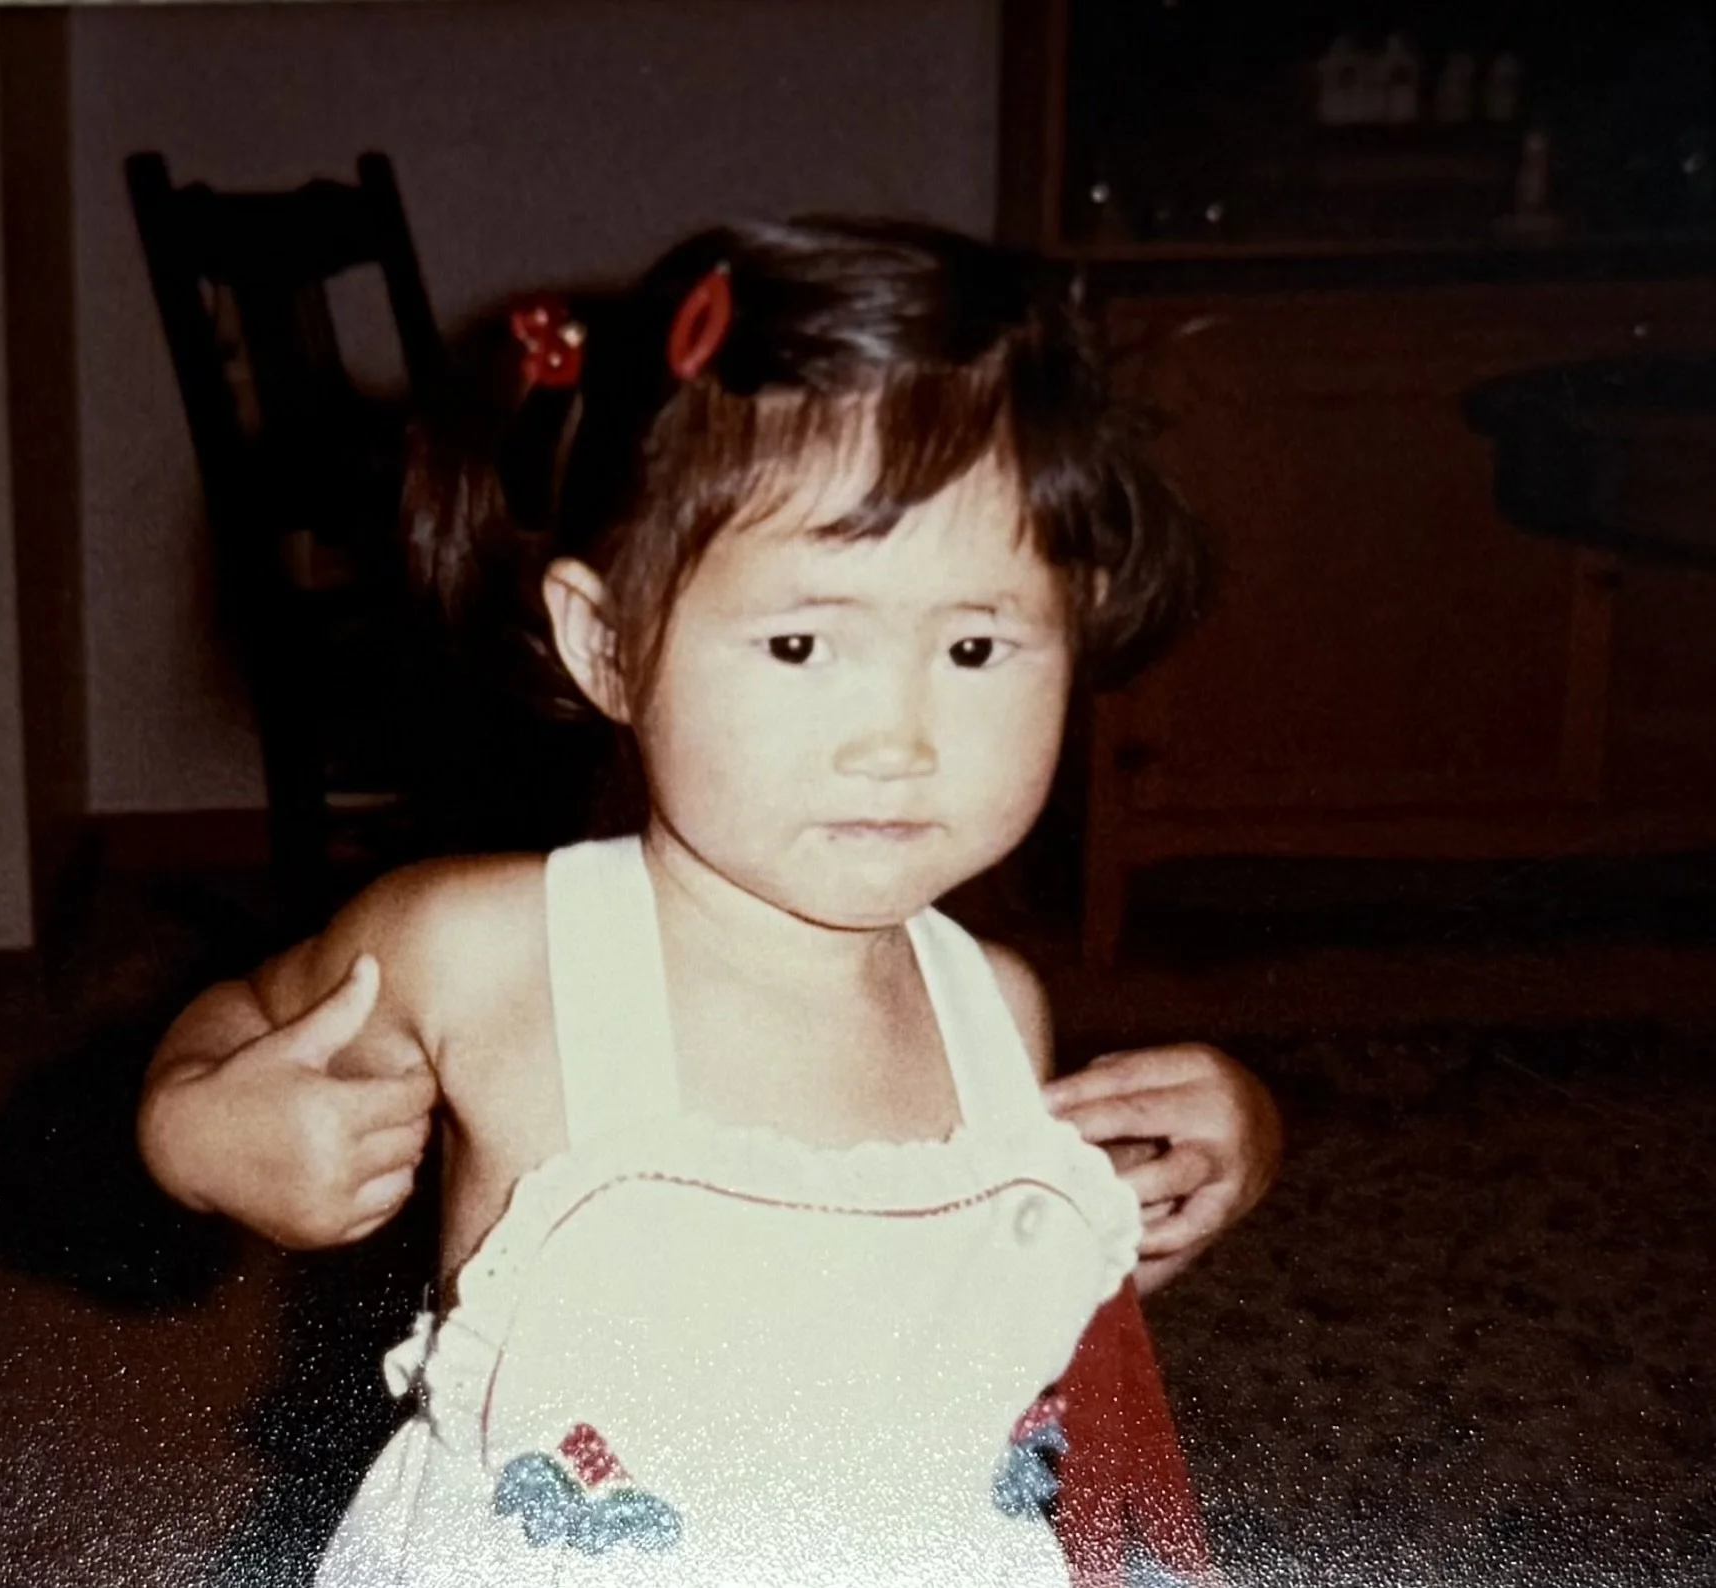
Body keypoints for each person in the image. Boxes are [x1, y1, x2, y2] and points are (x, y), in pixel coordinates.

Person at [140, 218, 1279, 1586]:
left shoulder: (996, 1009)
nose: (898, 737)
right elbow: (236, 1021)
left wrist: (1217, 1158)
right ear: (608, 645)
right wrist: (203, 1127)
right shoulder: (483, 953)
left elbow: (964, 1336)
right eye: (801, 642)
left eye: (975, 645)